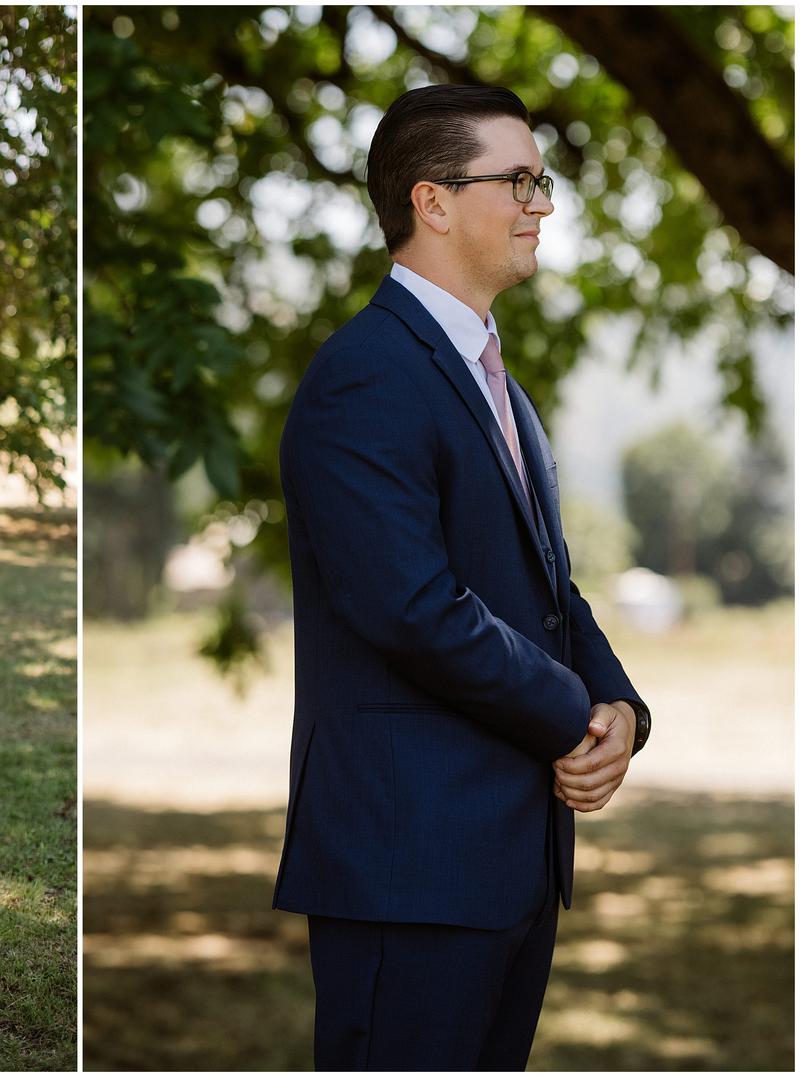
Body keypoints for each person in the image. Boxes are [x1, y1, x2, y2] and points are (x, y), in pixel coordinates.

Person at [272, 84, 651, 1070]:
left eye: (542, 180)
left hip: (508, 857)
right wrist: (571, 714)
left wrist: (620, 709)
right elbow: (412, 606)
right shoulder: (366, 375)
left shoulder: (500, 385)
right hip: (411, 858)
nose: (542, 204)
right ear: (432, 202)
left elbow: (547, 587)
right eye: (517, 181)